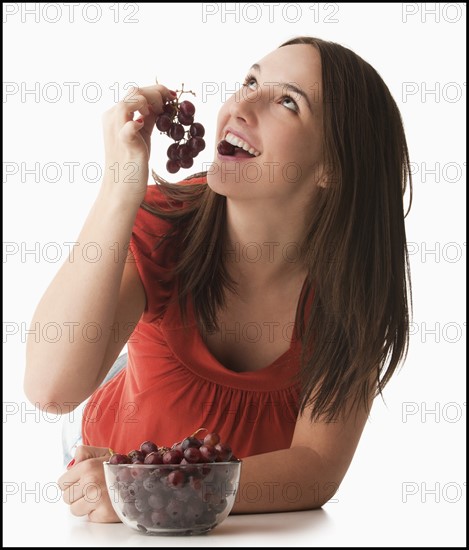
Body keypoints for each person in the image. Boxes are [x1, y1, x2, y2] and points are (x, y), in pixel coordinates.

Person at [24, 36, 413, 522]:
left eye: (287, 101)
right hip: (108, 446)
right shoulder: (164, 222)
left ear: (332, 166)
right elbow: (50, 390)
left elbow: (315, 467)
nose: (241, 104)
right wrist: (119, 189)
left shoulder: (352, 288)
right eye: (250, 81)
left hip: (153, 485)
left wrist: (152, 486)